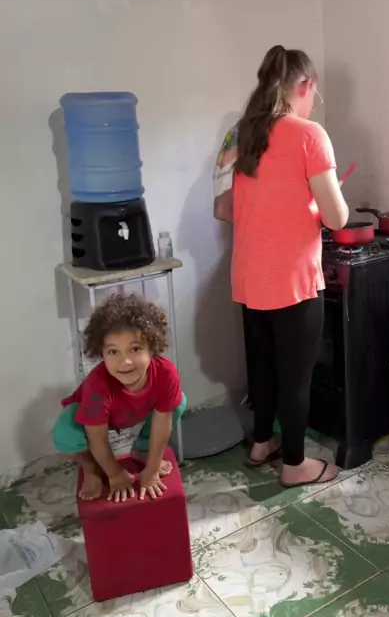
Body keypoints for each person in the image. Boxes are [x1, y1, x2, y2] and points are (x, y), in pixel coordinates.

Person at [214, 45, 349, 488]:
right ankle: (294, 464)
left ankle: (261, 442)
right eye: (314, 95)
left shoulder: (240, 134)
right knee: (296, 377)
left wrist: (272, 209)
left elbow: (222, 209)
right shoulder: (309, 134)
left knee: (263, 368)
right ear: (304, 85)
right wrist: (309, 206)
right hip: (292, 280)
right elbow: (337, 218)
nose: (313, 104)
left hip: (248, 277)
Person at [52, 293, 186, 502]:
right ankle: (91, 468)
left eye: (135, 349)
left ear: (152, 348)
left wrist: (151, 470)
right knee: (64, 431)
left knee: (179, 402)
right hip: (93, 420)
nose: (125, 362)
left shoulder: (166, 373)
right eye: (113, 352)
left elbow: (163, 423)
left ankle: (141, 450)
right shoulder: (97, 386)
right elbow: (97, 439)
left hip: (137, 411)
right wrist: (115, 474)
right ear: (102, 353)